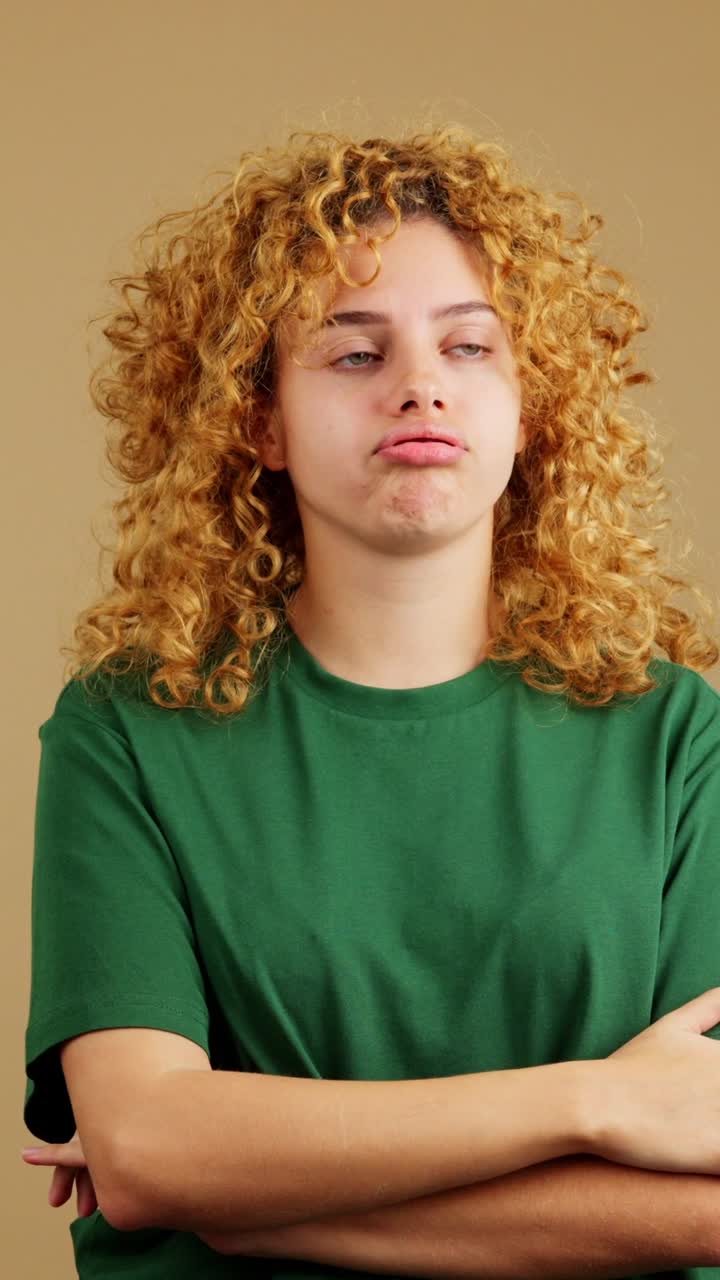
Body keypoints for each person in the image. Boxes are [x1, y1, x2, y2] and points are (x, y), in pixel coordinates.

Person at [22, 124, 720, 1280]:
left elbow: (705, 1201)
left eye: (471, 345)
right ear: (258, 420)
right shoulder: (127, 729)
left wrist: (253, 1203)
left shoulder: (676, 734)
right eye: (353, 354)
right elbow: (147, 1146)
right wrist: (600, 1101)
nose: (420, 384)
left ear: (531, 405)